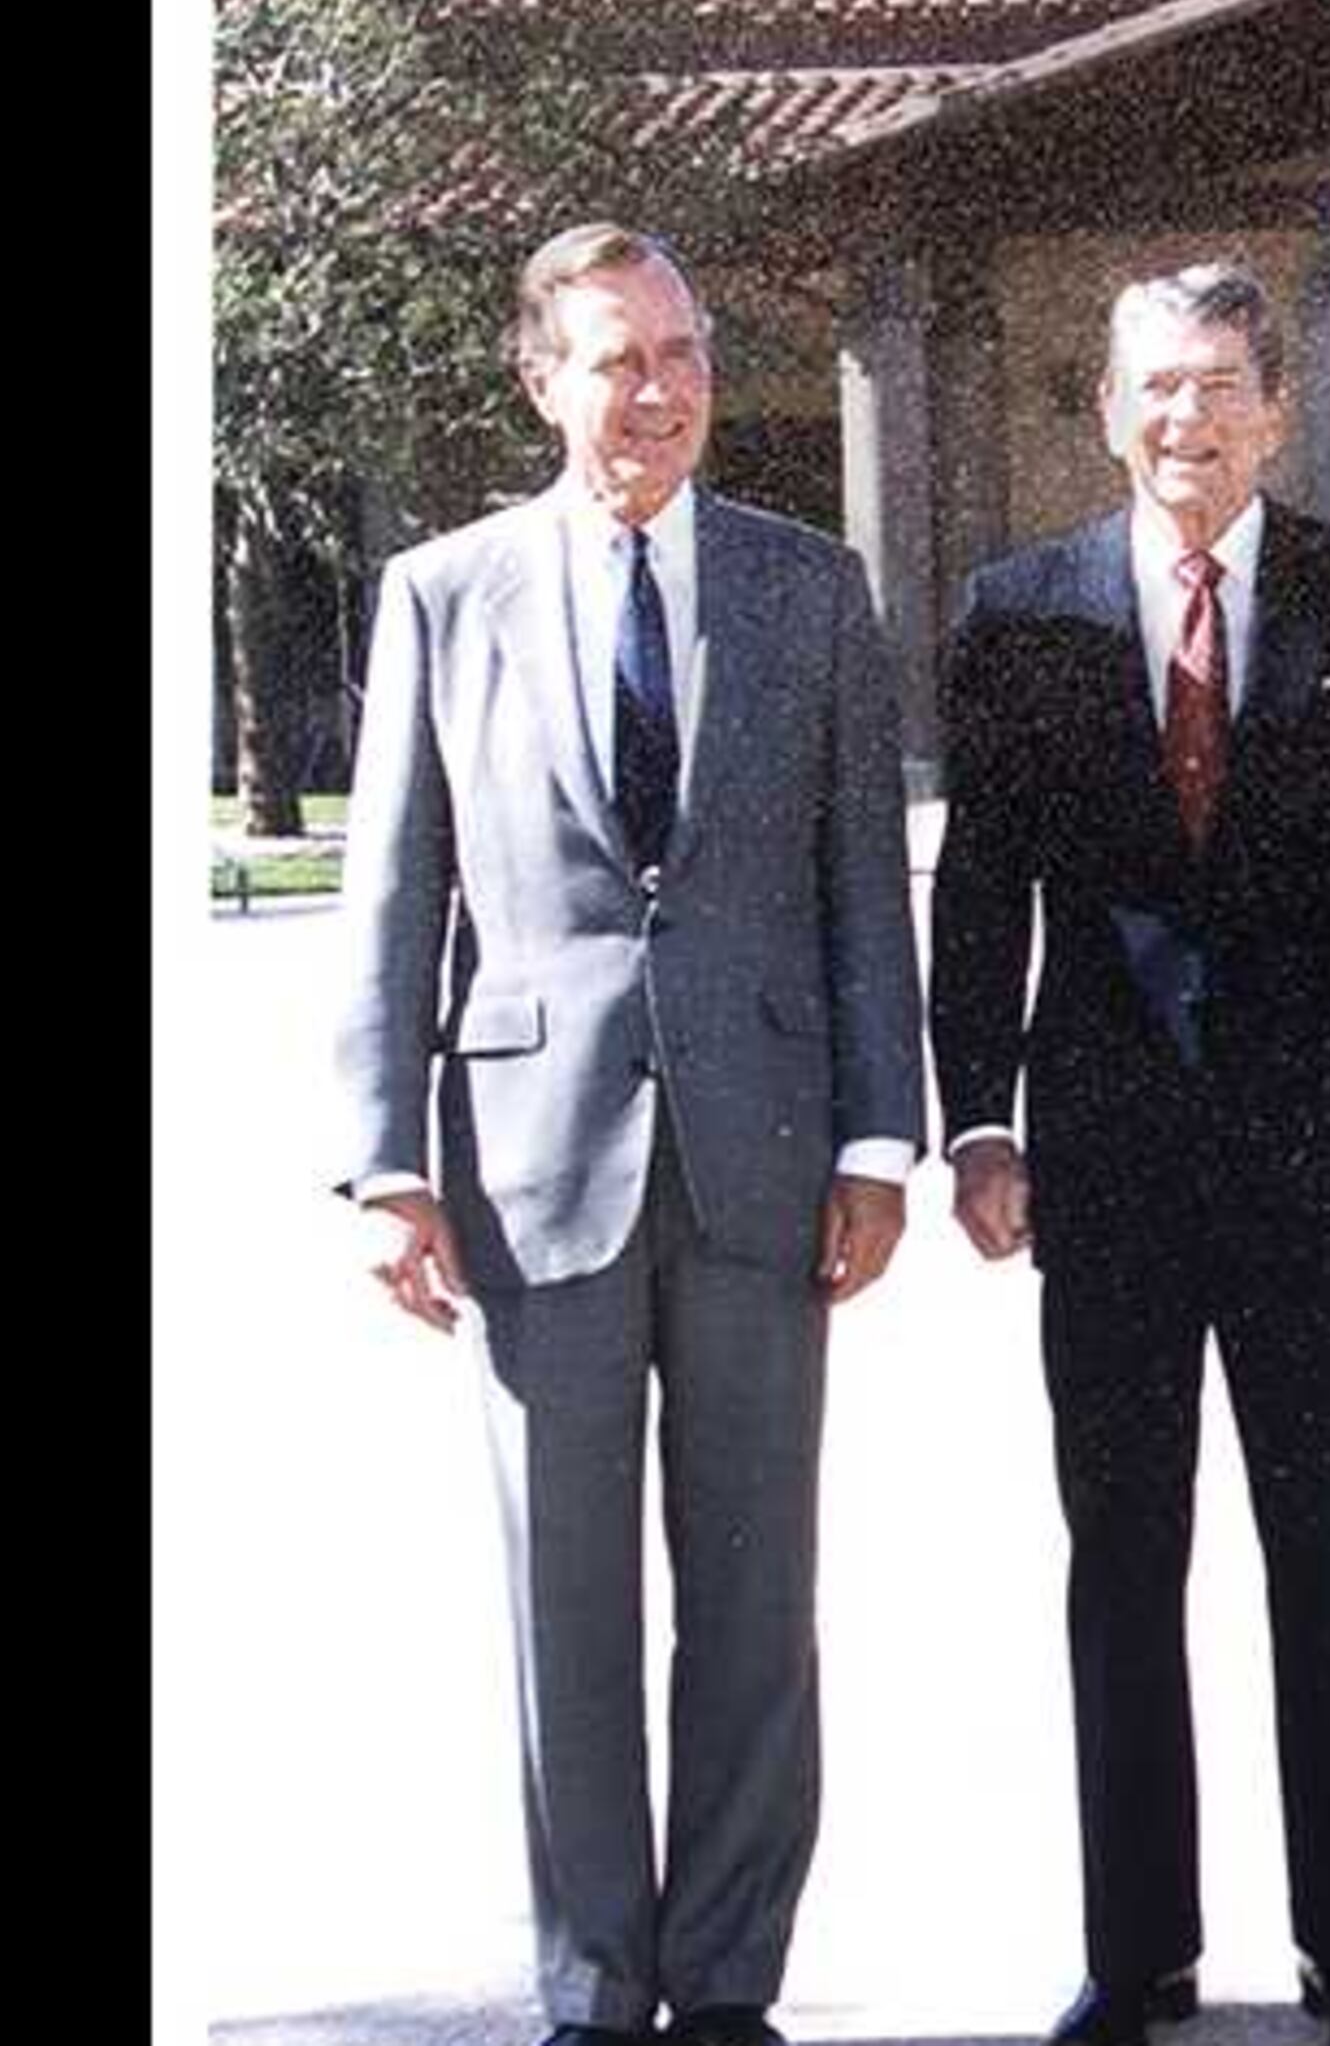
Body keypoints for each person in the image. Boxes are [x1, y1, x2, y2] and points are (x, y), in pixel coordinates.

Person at [330, 221, 924, 2046]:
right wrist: (384, 1161)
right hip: (526, 1170)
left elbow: (856, 890)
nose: (656, 391)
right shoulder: (446, 594)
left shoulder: (807, 586)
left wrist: (880, 1141)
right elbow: (393, 889)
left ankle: (730, 1983)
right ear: (542, 379)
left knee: (755, 1607)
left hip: (763, 1156)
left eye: (681, 354)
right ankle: (593, 1985)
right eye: (615, 359)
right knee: (564, 1613)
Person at [925, 262, 1330, 2046]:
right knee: (1121, 1558)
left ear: (1277, 409)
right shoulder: (1017, 613)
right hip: (1105, 1166)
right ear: (1109, 415)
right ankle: (1140, 1953)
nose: (1186, 422)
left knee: (1327, 1554)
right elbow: (980, 901)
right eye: (1153, 391)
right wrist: (978, 1122)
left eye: (1218, 388)